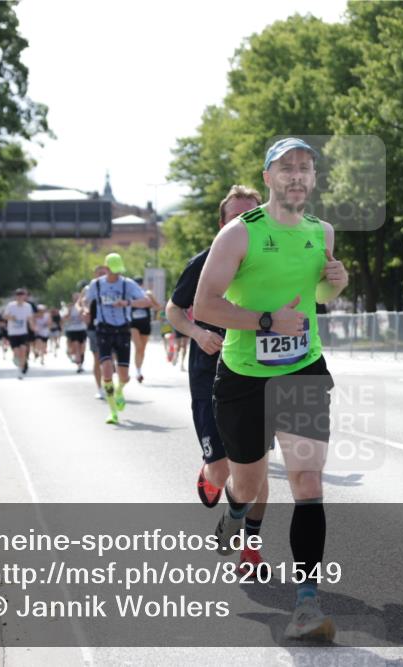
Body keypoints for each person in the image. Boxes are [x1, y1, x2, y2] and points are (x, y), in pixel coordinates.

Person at [194, 138, 348, 641]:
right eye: (287, 168)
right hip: (243, 377)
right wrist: (265, 320)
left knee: (306, 482)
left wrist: (336, 281)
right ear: (268, 177)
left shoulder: (321, 231)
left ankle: (306, 603)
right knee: (250, 482)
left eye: (306, 168)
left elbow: (320, 293)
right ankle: (235, 511)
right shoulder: (239, 235)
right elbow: (206, 307)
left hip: (302, 367)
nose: (297, 176)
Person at [168, 184, 270, 576]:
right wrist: (196, 333)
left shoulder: (272, 262)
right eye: (236, 216)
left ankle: (251, 549)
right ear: (222, 222)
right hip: (209, 374)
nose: (244, 222)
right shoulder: (205, 261)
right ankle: (211, 474)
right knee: (223, 468)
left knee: (256, 467)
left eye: (252, 214)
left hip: (257, 374)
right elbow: (174, 310)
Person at [85, 253, 151, 424]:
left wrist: (127, 303)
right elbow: (84, 301)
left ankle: (120, 389)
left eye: (118, 271)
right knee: (106, 370)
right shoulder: (96, 285)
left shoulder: (127, 284)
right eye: (113, 271)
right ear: (106, 269)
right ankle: (113, 411)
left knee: (124, 377)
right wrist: (84, 309)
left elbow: (146, 301)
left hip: (122, 330)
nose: (116, 275)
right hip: (103, 330)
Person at [84, 267, 109, 399]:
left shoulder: (114, 286)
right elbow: (81, 303)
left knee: (110, 359)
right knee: (98, 358)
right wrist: (84, 310)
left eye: (104, 273)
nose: (102, 275)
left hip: (112, 327)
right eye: (99, 273)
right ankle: (100, 388)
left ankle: (109, 385)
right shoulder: (91, 288)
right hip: (94, 327)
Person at [3, 288, 35, 379]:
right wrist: (10, 317)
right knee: (17, 353)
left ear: (24, 296)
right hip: (13, 332)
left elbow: (30, 318)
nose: (20, 297)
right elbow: (4, 316)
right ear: (16, 296)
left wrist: (33, 327)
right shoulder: (10, 305)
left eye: (22, 295)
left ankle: (20, 371)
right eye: (18, 295)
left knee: (23, 350)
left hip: (23, 332)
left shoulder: (28, 306)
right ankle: (21, 362)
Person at [63, 291, 89, 373]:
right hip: (72, 330)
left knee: (82, 348)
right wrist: (69, 311)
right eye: (75, 297)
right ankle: (79, 365)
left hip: (82, 329)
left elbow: (86, 319)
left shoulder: (84, 307)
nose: (76, 299)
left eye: (78, 297)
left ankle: (80, 360)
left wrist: (82, 312)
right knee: (76, 346)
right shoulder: (69, 307)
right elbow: (65, 318)